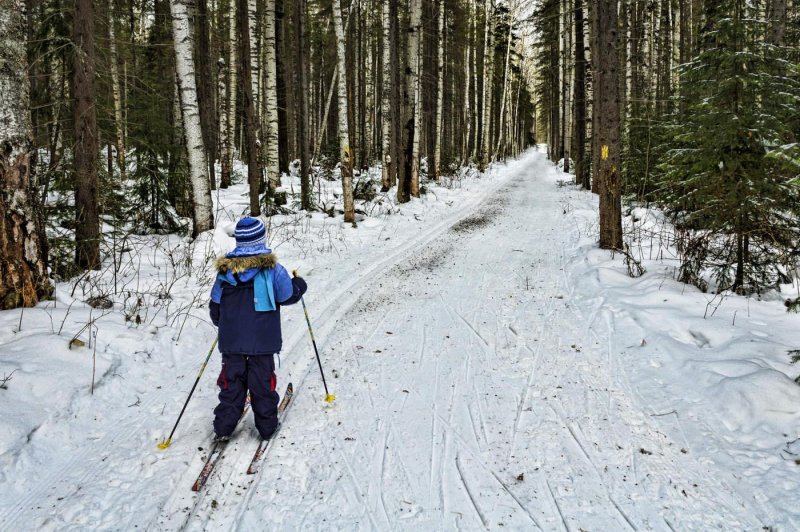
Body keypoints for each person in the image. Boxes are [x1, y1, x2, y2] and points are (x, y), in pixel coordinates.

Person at [209, 217, 307, 441]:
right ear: (262, 239)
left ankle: (223, 427)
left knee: (231, 382)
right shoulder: (273, 269)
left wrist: (222, 322)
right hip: (262, 341)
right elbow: (287, 295)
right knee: (262, 382)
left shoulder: (225, 272)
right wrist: (299, 285)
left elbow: (215, 305)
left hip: (232, 341)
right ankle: (267, 427)